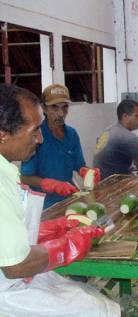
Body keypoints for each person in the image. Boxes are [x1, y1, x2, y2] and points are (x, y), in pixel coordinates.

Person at [0, 84, 120, 316]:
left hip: (12, 274)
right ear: (2, 135)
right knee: (98, 309)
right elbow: (17, 265)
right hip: (7, 286)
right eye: (34, 131)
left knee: (85, 294)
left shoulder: (7, 168)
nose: (40, 138)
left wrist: (51, 229)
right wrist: (70, 243)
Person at [20, 84, 100, 209]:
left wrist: (86, 171)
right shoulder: (37, 136)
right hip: (43, 205)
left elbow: (79, 164)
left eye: (65, 107)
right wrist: (47, 184)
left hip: (67, 199)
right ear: (44, 108)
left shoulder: (71, 134)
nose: (61, 113)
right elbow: (24, 177)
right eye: (54, 107)